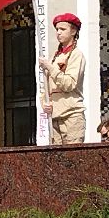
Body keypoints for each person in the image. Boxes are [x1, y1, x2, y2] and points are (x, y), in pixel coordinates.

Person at [38, 12, 86, 144]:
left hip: (71, 116)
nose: (58, 32)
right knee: (57, 160)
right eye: (57, 29)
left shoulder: (76, 55)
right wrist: (44, 103)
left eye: (63, 29)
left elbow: (69, 84)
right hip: (54, 115)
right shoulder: (55, 56)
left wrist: (50, 67)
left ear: (73, 31)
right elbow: (47, 88)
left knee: (73, 159)